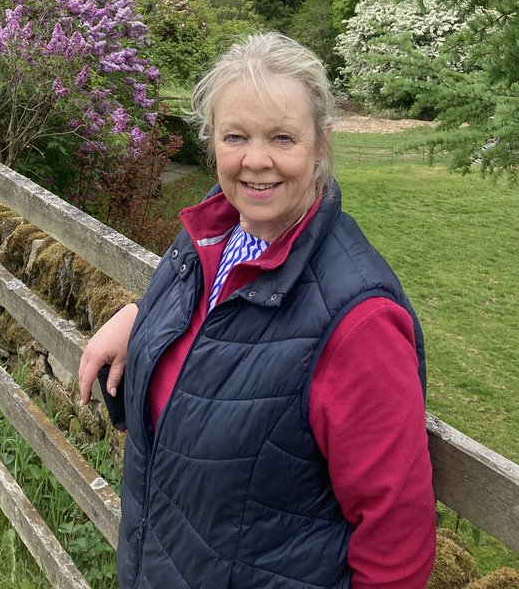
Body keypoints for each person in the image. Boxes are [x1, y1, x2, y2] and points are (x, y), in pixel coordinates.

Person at [78, 32, 436, 589]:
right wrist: (140, 318)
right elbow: (219, 330)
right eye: (235, 136)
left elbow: (397, 540)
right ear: (212, 143)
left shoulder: (358, 322)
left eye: (283, 137)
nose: (256, 160)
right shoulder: (212, 234)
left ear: (320, 146)